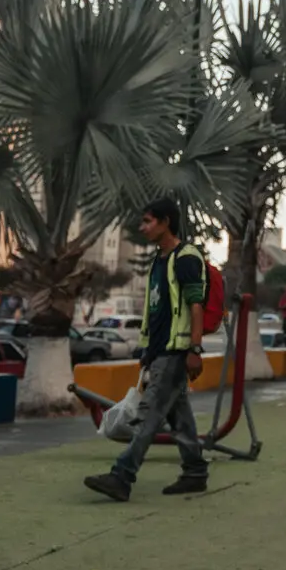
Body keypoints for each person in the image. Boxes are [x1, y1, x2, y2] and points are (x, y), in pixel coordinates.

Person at [84, 199, 208, 502]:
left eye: (148, 221)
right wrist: (146, 350)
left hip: (176, 351)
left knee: (150, 415)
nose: (142, 227)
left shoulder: (186, 257)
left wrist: (195, 348)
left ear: (166, 222)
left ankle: (122, 476)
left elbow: (196, 305)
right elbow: (156, 312)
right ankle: (195, 472)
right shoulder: (159, 260)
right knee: (179, 417)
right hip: (160, 351)